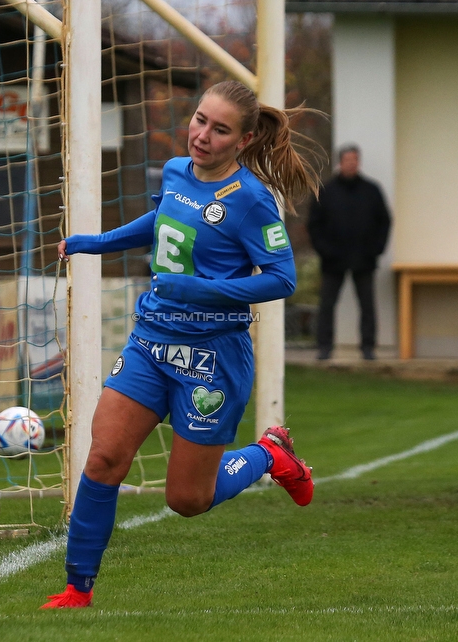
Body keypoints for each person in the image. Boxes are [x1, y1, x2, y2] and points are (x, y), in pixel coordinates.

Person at [42, 80, 322, 609]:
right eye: (199, 120)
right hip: (152, 342)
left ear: (241, 141)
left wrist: (203, 289)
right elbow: (165, 220)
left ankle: (268, 454)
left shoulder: (252, 201)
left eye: (219, 130)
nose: (202, 136)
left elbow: (282, 278)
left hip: (212, 358)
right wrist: (96, 243)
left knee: (186, 500)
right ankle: (78, 589)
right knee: (103, 458)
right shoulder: (175, 172)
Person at [307, 144, 391, 361]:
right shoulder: (325, 191)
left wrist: (376, 249)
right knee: (327, 304)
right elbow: (314, 225)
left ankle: (368, 347)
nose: (351, 163)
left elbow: (384, 221)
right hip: (333, 259)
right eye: (348, 160)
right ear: (340, 162)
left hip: (364, 258)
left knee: (367, 305)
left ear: (358, 162)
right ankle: (324, 347)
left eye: (355, 160)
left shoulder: (372, 190)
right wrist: (325, 250)